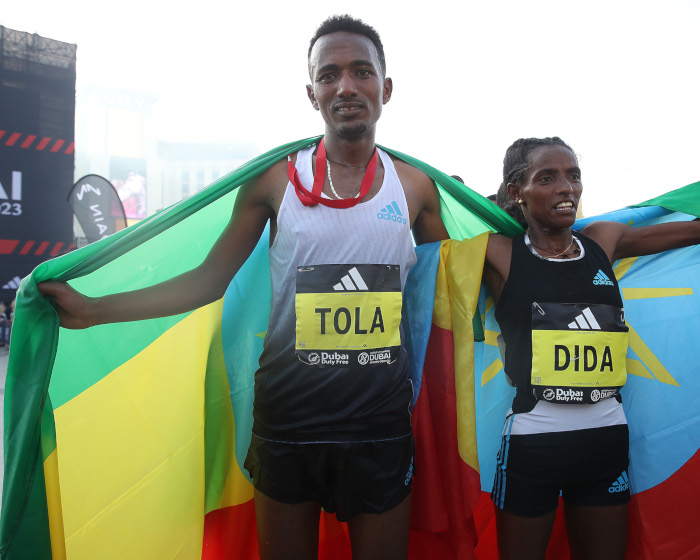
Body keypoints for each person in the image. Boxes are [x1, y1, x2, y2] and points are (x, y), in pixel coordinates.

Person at [38, 15, 449, 560]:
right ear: (312, 94)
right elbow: (208, 282)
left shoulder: (416, 187)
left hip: (380, 427)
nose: (345, 87)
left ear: (385, 87)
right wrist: (94, 310)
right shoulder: (275, 182)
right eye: (329, 76)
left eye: (360, 71)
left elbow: (453, 285)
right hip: (287, 425)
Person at [482, 137, 700, 560]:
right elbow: (431, 240)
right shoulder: (499, 254)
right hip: (534, 441)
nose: (566, 188)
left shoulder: (604, 240)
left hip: (606, 439)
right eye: (547, 178)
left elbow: (692, 233)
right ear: (516, 192)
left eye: (573, 176)